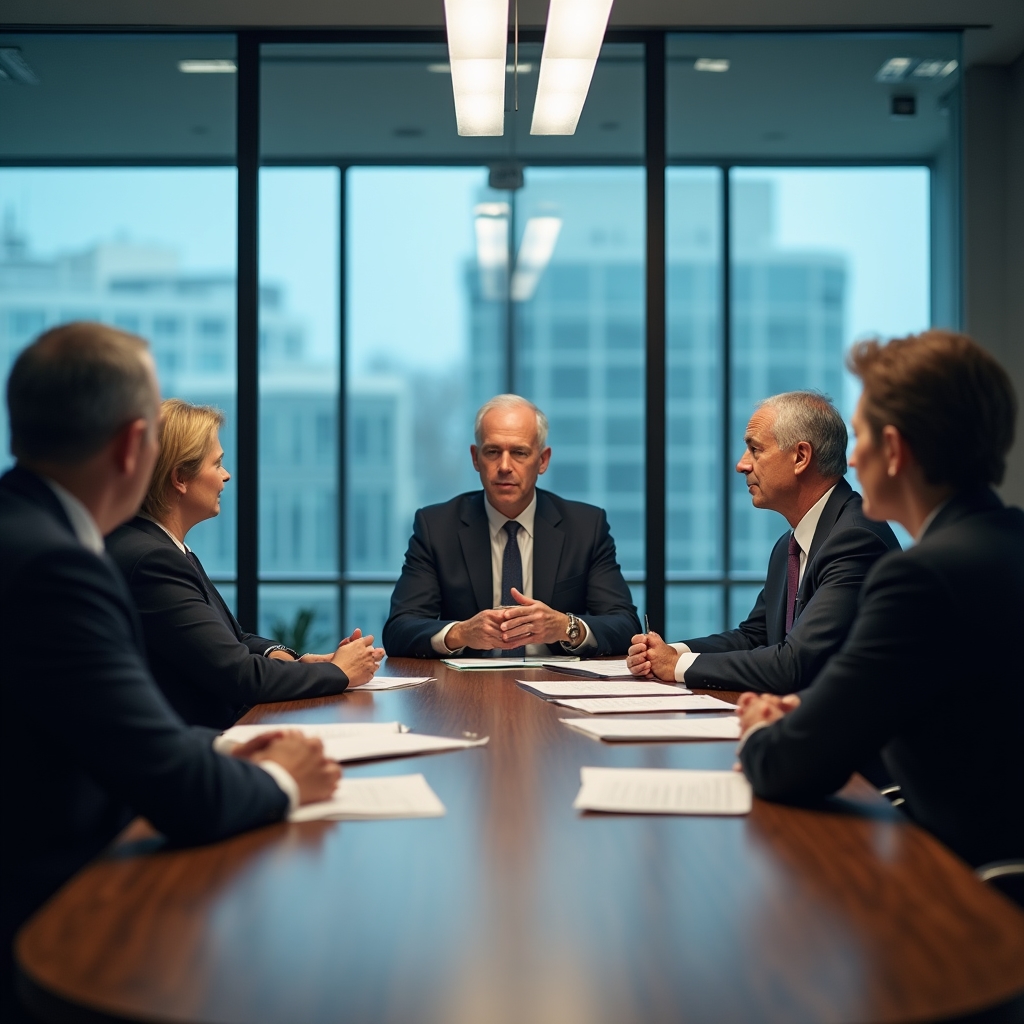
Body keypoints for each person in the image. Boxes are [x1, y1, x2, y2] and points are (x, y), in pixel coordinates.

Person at [0, 323, 340, 1022]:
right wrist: (283, 779)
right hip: (49, 923)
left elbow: (112, 724)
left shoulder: (32, 533)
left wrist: (220, 748)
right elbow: (164, 776)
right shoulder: (59, 568)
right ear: (133, 449)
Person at [737, 330, 1023, 869]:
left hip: (967, 900)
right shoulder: (1005, 544)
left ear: (893, 451)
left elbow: (792, 766)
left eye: (861, 436)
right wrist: (808, 711)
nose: (848, 459)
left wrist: (761, 732)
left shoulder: (921, 578)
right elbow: (947, 705)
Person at [107, 399, 382, 729]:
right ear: (180, 477)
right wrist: (339, 672)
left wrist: (295, 659)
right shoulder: (153, 560)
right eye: (217, 463)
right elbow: (238, 675)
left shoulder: (159, 546)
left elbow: (232, 638)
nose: (226, 475)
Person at [628, 391, 899, 692]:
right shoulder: (790, 545)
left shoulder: (855, 540)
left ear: (800, 457)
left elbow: (794, 664)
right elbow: (754, 636)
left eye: (755, 450)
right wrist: (670, 652)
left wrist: (675, 667)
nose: (742, 465)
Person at [383, 394, 641, 658]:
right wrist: (461, 633)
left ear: (542, 460)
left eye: (519, 453)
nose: (504, 466)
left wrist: (565, 627)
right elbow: (399, 629)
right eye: (493, 452)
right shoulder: (436, 528)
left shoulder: (585, 527)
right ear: (475, 458)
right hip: (467, 691)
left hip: (557, 685)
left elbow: (625, 625)